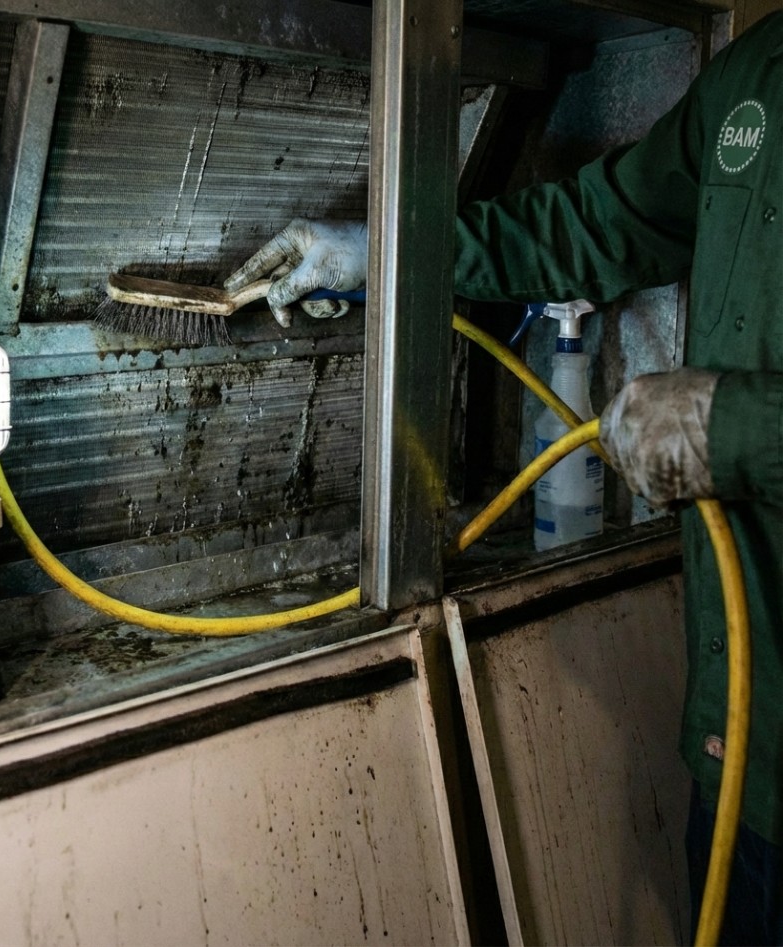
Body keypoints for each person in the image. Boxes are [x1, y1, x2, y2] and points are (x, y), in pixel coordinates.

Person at [224, 12, 782, 944]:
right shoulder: (757, 73)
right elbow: (599, 222)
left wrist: (740, 428)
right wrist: (384, 252)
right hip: (742, 742)